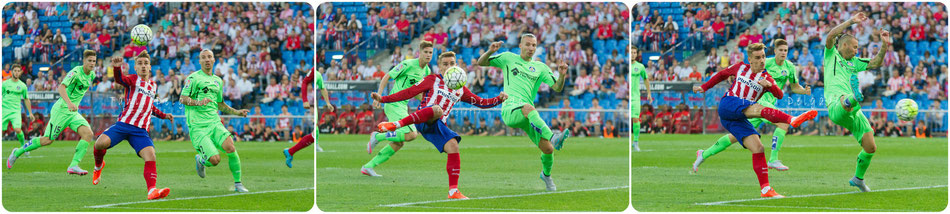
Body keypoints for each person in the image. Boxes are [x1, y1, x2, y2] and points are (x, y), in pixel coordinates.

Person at [371, 51, 506, 199]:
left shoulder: (461, 89)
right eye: (445, 64)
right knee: (437, 109)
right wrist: (383, 99)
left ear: (456, 65)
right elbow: (408, 92)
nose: (449, 66)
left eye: (452, 63)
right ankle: (397, 124)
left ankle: (453, 191)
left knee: (453, 145)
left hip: (438, 125)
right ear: (439, 67)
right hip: (422, 118)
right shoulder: (432, 79)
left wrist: (498, 99)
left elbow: (481, 103)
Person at [690, 43, 818, 198]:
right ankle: (792, 119)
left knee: (758, 148)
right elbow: (721, 75)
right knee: (758, 108)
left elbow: (780, 95)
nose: (762, 60)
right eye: (758, 57)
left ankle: (765, 189)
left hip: (738, 118)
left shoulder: (766, 77)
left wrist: (769, 85)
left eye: (763, 56)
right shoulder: (740, 67)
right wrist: (704, 87)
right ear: (750, 59)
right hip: (729, 104)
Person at [477, 35, 570, 191]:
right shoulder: (508, 57)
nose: (531, 48)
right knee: (529, 108)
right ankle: (553, 136)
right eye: (528, 44)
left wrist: (562, 75)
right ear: (520, 45)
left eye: (534, 45)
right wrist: (489, 51)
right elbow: (481, 62)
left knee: (548, 150)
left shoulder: (540, 67)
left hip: (529, 116)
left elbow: (557, 88)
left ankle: (546, 176)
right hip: (510, 109)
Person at [821, 12, 890, 192]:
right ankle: (854, 95)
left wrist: (885, 45)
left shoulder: (855, 62)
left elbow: (875, 62)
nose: (857, 50)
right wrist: (851, 21)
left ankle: (858, 179)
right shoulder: (831, 55)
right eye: (854, 47)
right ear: (844, 45)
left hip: (854, 111)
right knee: (847, 100)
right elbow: (830, 36)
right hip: (836, 104)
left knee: (870, 147)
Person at [90, 53, 174, 200]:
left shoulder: (153, 86)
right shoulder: (133, 79)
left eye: (145, 63)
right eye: (140, 63)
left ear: (150, 67)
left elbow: (150, 106)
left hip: (140, 131)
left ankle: (152, 190)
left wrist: (163, 115)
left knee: (151, 156)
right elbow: (120, 79)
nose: (143, 65)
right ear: (135, 67)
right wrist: (117, 67)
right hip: (124, 124)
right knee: (99, 144)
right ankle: (98, 166)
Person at [8, 50, 99, 176]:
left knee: (88, 134)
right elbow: (61, 87)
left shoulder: (92, 75)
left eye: (94, 61)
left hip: (72, 113)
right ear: (84, 61)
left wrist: (73, 104)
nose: (92, 63)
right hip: (62, 109)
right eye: (89, 60)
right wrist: (69, 103)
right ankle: (17, 152)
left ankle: (73, 165)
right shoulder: (75, 73)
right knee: (47, 140)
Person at [180, 50, 251, 192]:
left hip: (214, 122)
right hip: (198, 126)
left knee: (231, 147)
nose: (207, 60)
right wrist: (198, 102)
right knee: (215, 160)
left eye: (209, 57)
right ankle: (200, 160)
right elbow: (182, 98)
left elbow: (220, 104)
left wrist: (237, 112)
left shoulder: (218, 80)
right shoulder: (193, 78)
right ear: (199, 61)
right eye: (203, 57)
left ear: (214, 60)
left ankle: (238, 184)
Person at [361, 41, 433, 176]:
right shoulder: (408, 64)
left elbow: (416, 92)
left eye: (430, 52)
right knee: (412, 134)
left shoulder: (427, 71)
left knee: (398, 143)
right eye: (426, 52)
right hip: (394, 104)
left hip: (402, 106)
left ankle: (368, 166)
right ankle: (378, 136)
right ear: (420, 52)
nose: (428, 55)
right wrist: (379, 95)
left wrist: (427, 102)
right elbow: (387, 76)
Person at [283, 68, 334, 168]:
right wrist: (305, 100)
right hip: (309, 105)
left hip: (314, 105)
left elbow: (323, 89)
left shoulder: (318, 75)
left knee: (316, 129)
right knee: (314, 133)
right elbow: (304, 82)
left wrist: (328, 103)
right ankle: (290, 151)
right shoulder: (314, 71)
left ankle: (295, 150)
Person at [2, 65, 35, 151]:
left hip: (15, 111)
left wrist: (30, 113)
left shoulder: (22, 86)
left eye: (18, 71)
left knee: (17, 129)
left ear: (20, 73)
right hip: (4, 110)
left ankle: (23, 147)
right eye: (15, 70)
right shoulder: (5, 84)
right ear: (12, 71)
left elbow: (26, 99)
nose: (16, 72)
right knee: (1, 132)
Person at [630, 46, 652, 151]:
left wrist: (649, 93)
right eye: (631, 52)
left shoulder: (640, 66)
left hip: (635, 97)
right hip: (625, 97)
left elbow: (646, 79)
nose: (633, 54)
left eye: (634, 52)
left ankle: (635, 142)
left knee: (635, 119)